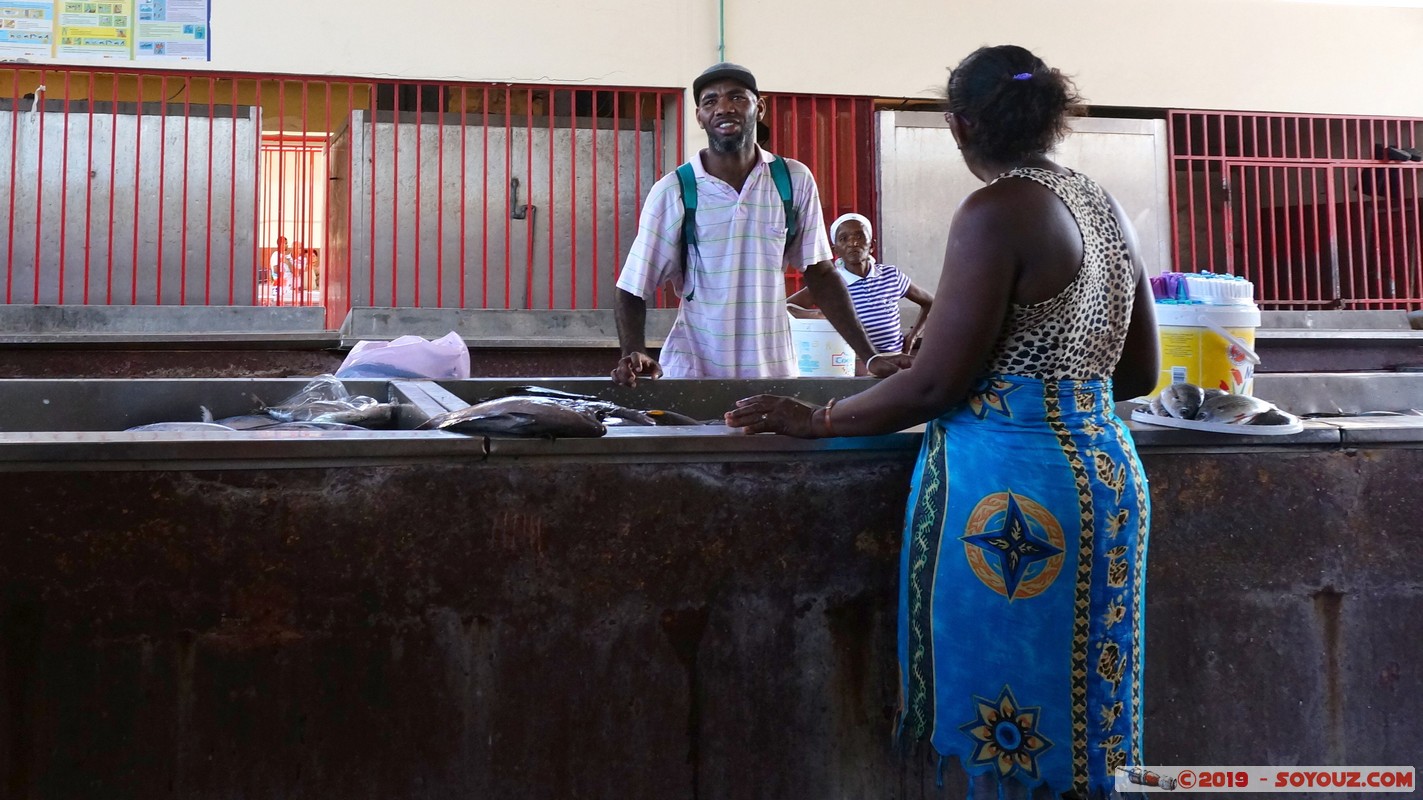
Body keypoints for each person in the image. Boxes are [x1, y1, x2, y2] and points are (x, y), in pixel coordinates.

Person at [726, 45, 1160, 799]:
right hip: (1106, 479)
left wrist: (815, 418)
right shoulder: (1099, 202)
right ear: (1053, 116)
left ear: (959, 125)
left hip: (1013, 504)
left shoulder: (996, 210)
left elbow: (932, 387)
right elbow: (1134, 372)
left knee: (1007, 725)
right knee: (1090, 715)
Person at [612, 62, 911, 385]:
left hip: (774, 372)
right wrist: (634, 351)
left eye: (737, 98)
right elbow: (632, 287)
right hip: (693, 372)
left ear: (760, 107)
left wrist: (869, 355)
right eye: (711, 101)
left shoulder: (793, 180)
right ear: (699, 116)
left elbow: (821, 273)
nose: (724, 108)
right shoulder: (675, 190)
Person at [786, 212, 934, 358]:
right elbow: (786, 308)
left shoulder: (891, 276)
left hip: (895, 362)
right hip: (854, 366)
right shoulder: (830, 285)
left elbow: (930, 303)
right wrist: (821, 315)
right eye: (843, 239)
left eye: (859, 236)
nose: (853, 243)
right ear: (835, 250)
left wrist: (913, 336)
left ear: (872, 245)